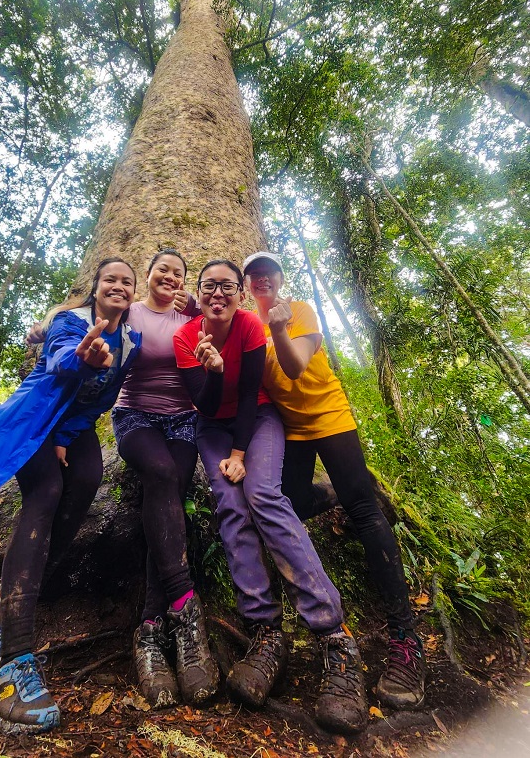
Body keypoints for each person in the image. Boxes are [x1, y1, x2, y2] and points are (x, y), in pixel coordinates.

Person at [173, 259, 368, 734]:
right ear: (198, 295)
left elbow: (247, 397)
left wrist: (241, 453)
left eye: (228, 286)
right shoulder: (186, 336)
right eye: (209, 287)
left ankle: (333, 636)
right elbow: (203, 403)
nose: (218, 294)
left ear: (240, 294)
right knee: (230, 507)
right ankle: (264, 630)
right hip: (209, 427)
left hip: (256, 420)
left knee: (262, 494)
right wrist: (212, 368)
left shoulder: (247, 325)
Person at [243, 251, 427, 711]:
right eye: (253, 275)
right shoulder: (249, 325)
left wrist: (281, 328)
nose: (261, 279)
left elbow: (294, 367)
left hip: (330, 417)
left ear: (280, 279)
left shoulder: (299, 311)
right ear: (247, 285)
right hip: (291, 428)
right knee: (288, 503)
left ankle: (406, 639)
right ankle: (332, 493)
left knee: (364, 510)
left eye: (268, 272)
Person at [0, 258, 141, 735]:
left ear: (132, 293)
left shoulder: (132, 342)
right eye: (111, 280)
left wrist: (69, 434)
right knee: (45, 493)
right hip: (36, 412)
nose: (118, 287)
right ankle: (15, 656)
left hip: (68, 424)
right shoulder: (71, 322)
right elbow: (60, 357)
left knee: (84, 484)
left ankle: (2, 625)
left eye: (127, 282)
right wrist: (81, 358)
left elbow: (104, 400)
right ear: (97, 287)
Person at [111, 249, 218, 707]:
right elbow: (79, 314)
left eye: (178, 272)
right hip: (135, 418)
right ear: (148, 275)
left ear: (184, 282)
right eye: (162, 270)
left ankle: (151, 630)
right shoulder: (129, 310)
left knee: (171, 490)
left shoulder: (192, 317)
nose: (169, 277)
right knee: (160, 473)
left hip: (182, 422)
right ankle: (184, 605)